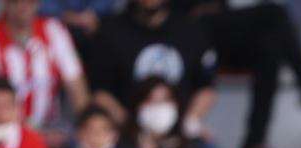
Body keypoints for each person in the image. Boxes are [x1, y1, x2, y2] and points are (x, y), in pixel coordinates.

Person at [176, 0, 301, 148]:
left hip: (220, 32)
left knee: (270, 49)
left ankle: (254, 142)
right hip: (189, 30)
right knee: (274, 13)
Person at [0, 0, 90, 142]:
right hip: (1, 132)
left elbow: (76, 86)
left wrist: (89, 127)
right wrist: (33, 135)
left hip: (50, 127)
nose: (23, 6)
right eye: (16, 2)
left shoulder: (54, 30)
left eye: (29, 1)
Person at [87, 0, 216, 131]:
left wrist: (188, 125)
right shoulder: (110, 31)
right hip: (124, 135)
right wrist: (132, 129)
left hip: (181, 134)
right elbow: (100, 92)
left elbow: (205, 88)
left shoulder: (191, 29)